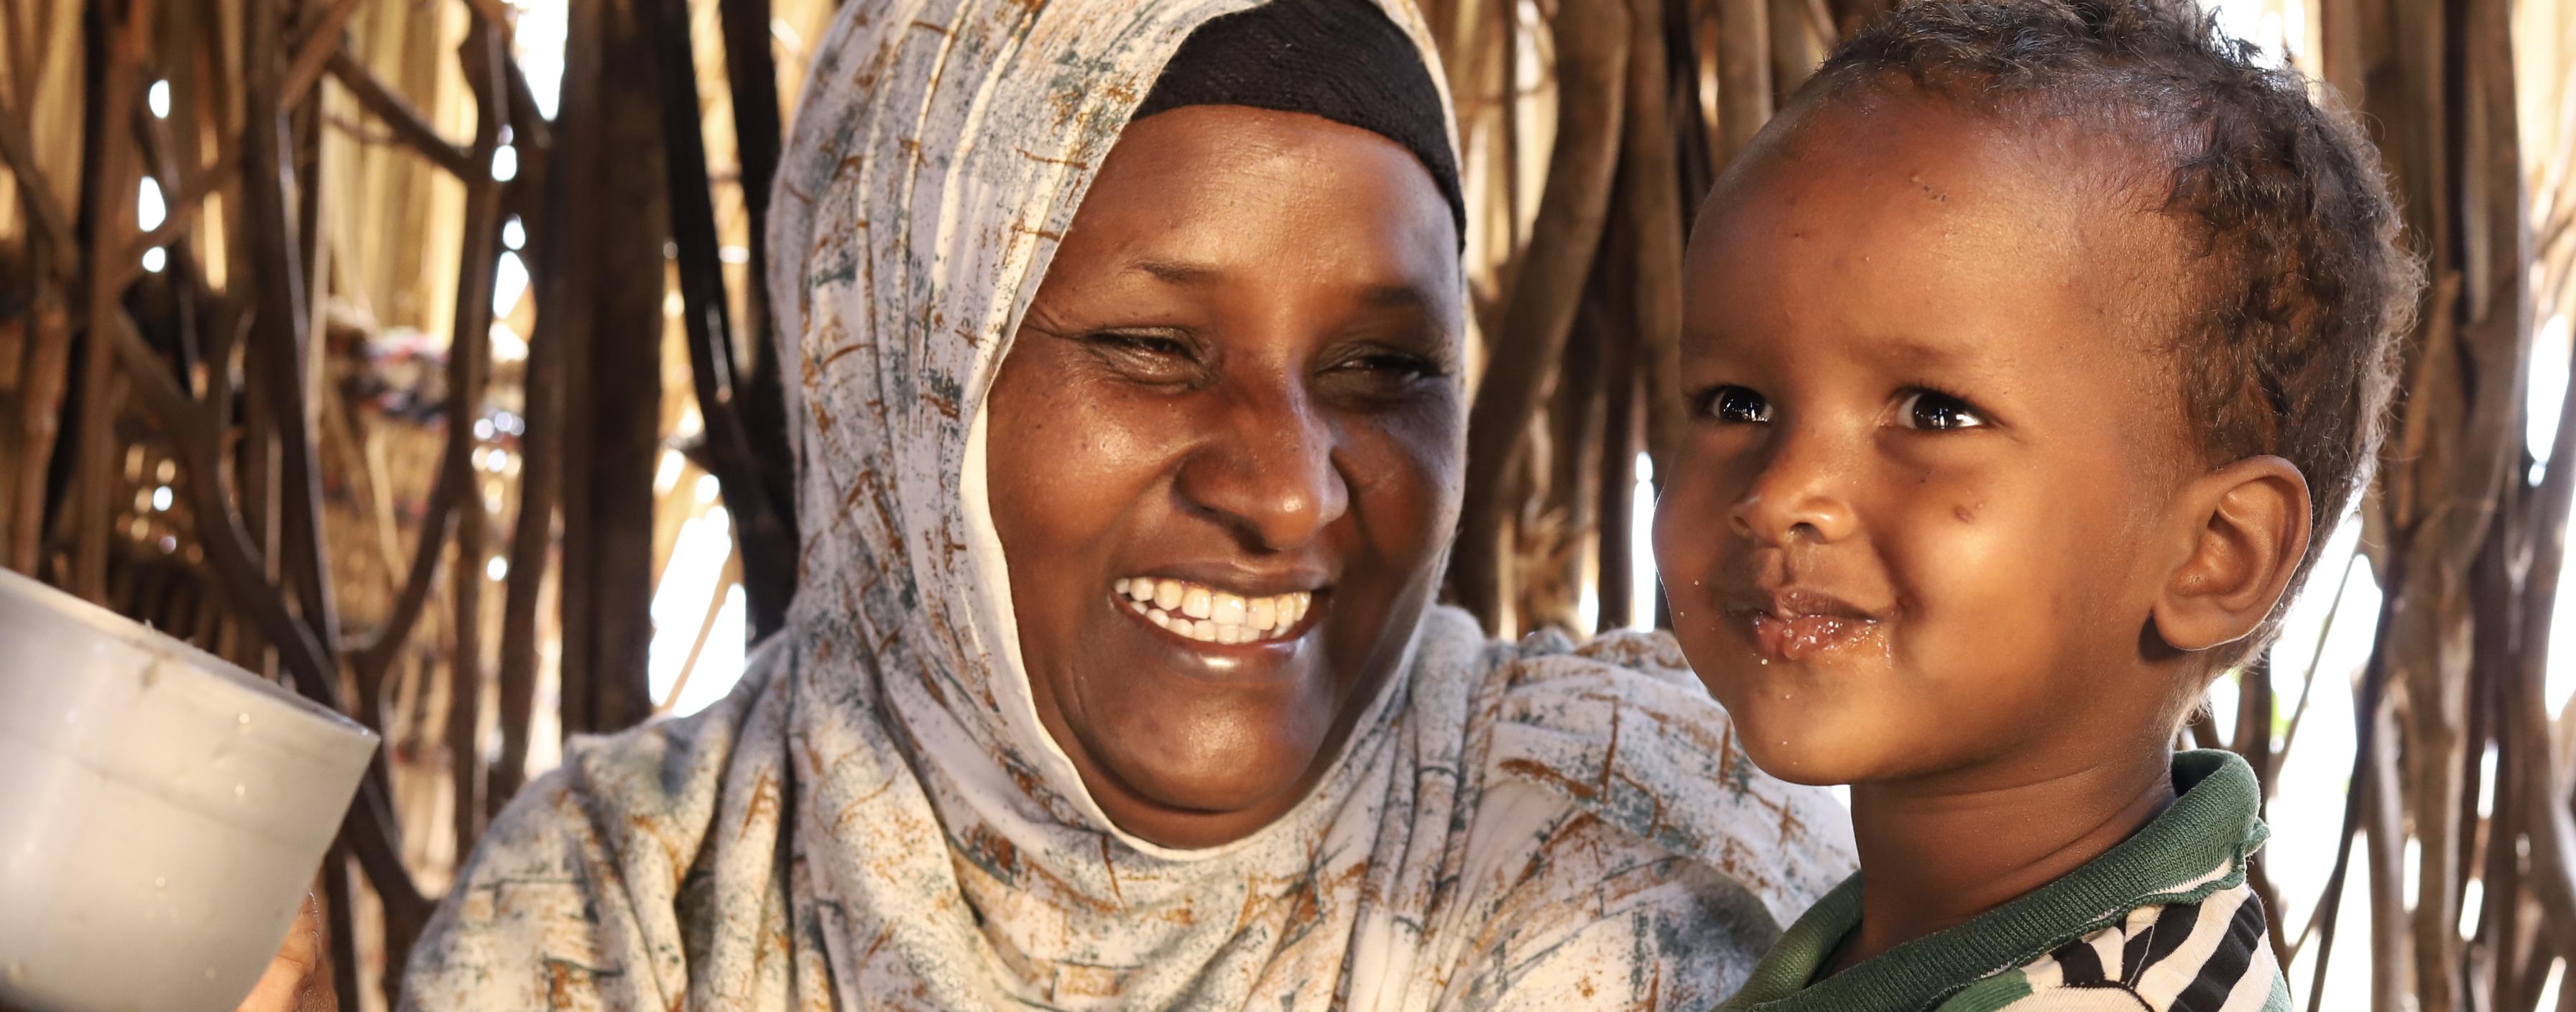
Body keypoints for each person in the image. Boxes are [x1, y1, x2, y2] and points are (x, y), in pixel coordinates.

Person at [232, 1, 1855, 1008]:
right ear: (901, 377)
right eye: (1154, 348)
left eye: (1379, 369)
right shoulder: (628, 906)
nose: (1288, 485)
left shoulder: (1628, 841)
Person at [1653, 1, 2416, 1009]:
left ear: (2216, 555)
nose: (1781, 494)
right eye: (1737, 403)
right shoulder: (1916, 941)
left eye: (1934, 413)